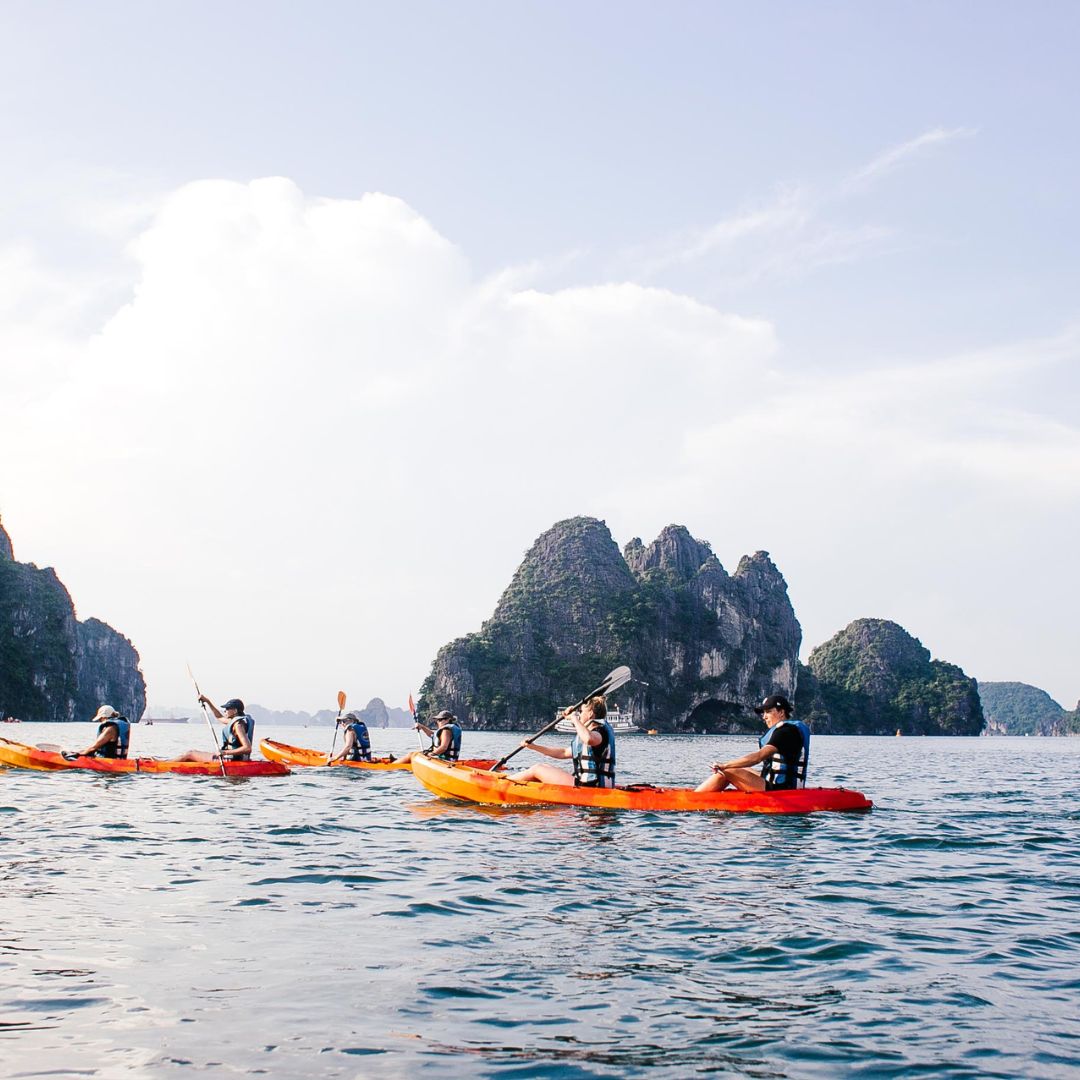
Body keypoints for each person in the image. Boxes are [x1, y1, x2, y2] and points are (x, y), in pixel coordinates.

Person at [695, 694, 809, 793]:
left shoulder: (785, 732)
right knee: (740, 769)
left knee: (728, 770)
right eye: (763, 713)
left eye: (768, 712)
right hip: (783, 784)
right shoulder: (789, 730)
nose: (764, 717)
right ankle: (704, 794)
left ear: (781, 712)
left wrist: (725, 765)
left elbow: (758, 757)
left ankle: (694, 798)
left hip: (779, 789)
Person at [507, 696, 616, 788]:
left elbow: (589, 739)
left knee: (537, 768)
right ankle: (511, 782)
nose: (580, 714)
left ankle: (505, 783)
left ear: (590, 714)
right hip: (594, 785)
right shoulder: (593, 733)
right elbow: (563, 753)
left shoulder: (599, 732)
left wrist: (573, 718)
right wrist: (534, 746)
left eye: (582, 712)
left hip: (590, 786)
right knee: (544, 766)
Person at [176, 697, 254, 762]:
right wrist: (207, 701)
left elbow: (247, 748)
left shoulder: (238, 725)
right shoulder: (237, 721)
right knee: (191, 758)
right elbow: (219, 717)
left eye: (227, 708)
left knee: (190, 754)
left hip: (230, 760)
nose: (225, 711)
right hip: (238, 758)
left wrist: (224, 752)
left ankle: (165, 767)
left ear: (235, 711)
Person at [393, 710, 462, 766]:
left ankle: (393, 765)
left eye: (440, 720)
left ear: (447, 720)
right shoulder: (447, 730)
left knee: (412, 755)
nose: (438, 722)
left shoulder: (446, 730)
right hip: (445, 760)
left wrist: (431, 754)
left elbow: (443, 747)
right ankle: (397, 761)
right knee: (415, 754)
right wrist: (422, 727)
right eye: (437, 720)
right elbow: (432, 735)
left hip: (444, 761)